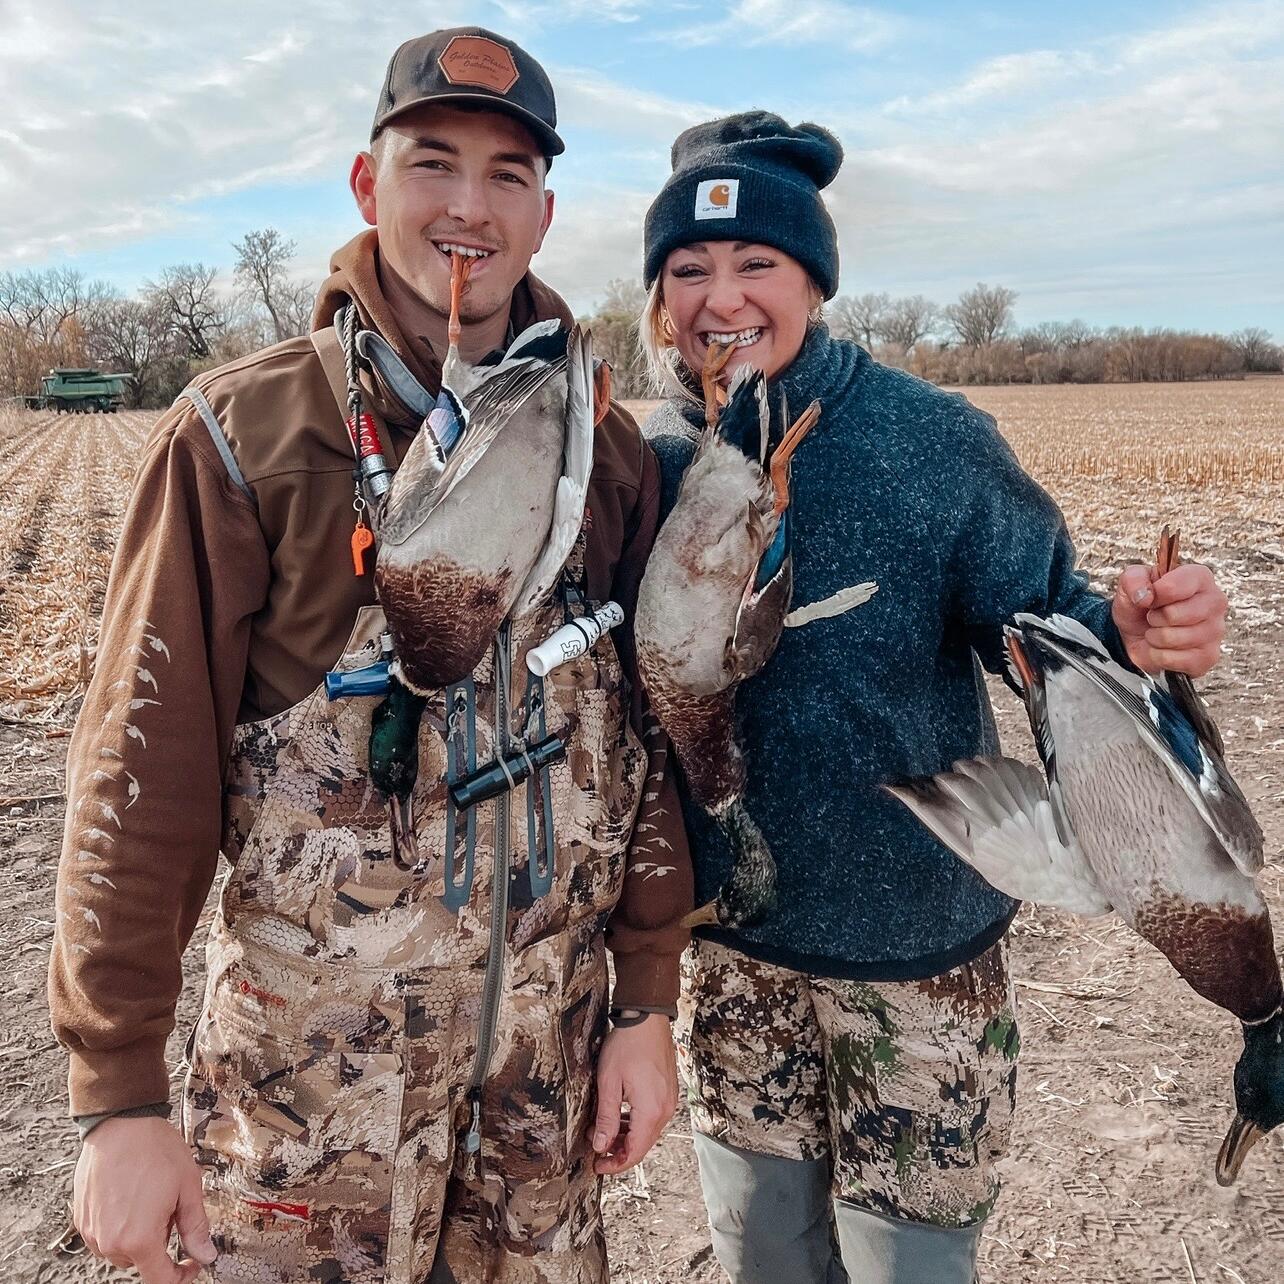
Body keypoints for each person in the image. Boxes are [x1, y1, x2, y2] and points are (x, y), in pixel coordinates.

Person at [50, 27, 691, 1284]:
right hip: (312, 1103)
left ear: (546, 213)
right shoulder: (250, 436)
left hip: (540, 1094)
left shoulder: (604, 451)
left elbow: (646, 741)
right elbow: (141, 768)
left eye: (508, 176)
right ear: (366, 184)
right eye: (433, 163)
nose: (469, 206)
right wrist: (117, 1095)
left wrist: (647, 999)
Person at [639, 112, 1231, 1284]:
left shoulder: (933, 441)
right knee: (763, 1253)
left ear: (813, 278)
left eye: (758, 263)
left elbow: (1046, 628)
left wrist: (1135, 631)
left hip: (921, 956)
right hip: (737, 954)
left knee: (913, 1265)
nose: (723, 297)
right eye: (689, 269)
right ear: (658, 294)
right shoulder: (644, 458)